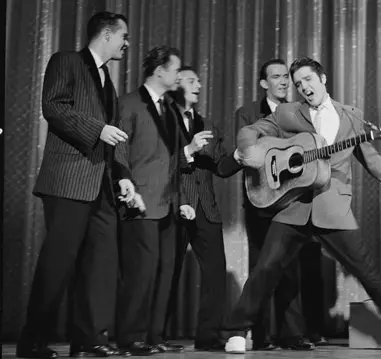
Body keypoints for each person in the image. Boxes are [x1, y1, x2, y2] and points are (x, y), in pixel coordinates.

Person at [224, 57, 381, 354]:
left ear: (323, 79)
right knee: (266, 268)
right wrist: (247, 149)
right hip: (294, 205)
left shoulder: (351, 117)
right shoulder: (289, 112)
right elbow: (252, 130)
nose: (303, 87)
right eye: (298, 83)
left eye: (308, 80)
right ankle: (238, 331)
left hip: (333, 207)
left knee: (368, 274)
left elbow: (373, 161)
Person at [18, 11, 133, 359]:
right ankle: (32, 340)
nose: (127, 43)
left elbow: (113, 136)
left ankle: (89, 338)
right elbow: (53, 106)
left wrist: (124, 175)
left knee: (100, 263)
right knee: (58, 262)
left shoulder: (107, 81)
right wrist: (96, 129)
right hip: (68, 179)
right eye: (123, 36)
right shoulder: (65, 61)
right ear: (107, 35)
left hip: (101, 185)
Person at [113, 46, 211, 356]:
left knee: (165, 271)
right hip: (139, 201)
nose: (179, 76)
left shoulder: (170, 108)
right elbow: (118, 149)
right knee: (140, 272)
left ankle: (154, 336)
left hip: (169, 203)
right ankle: (129, 337)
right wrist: (124, 183)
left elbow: (176, 157)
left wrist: (182, 198)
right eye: (175, 71)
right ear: (159, 72)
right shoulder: (128, 103)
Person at [234, 58, 313, 350]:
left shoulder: (297, 112)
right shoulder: (247, 113)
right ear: (264, 83)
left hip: (291, 200)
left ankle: (291, 333)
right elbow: (247, 153)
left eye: (285, 77)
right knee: (261, 268)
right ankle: (260, 334)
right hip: (260, 200)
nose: (284, 82)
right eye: (276, 77)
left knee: (290, 268)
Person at [165, 66, 242, 351]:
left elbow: (221, 167)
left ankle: (207, 335)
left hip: (206, 208)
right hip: (174, 203)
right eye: (191, 80)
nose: (198, 84)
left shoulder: (207, 124)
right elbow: (158, 161)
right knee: (167, 271)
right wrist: (190, 147)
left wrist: (238, 156)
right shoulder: (163, 119)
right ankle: (155, 334)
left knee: (215, 272)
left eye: (199, 80)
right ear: (176, 84)